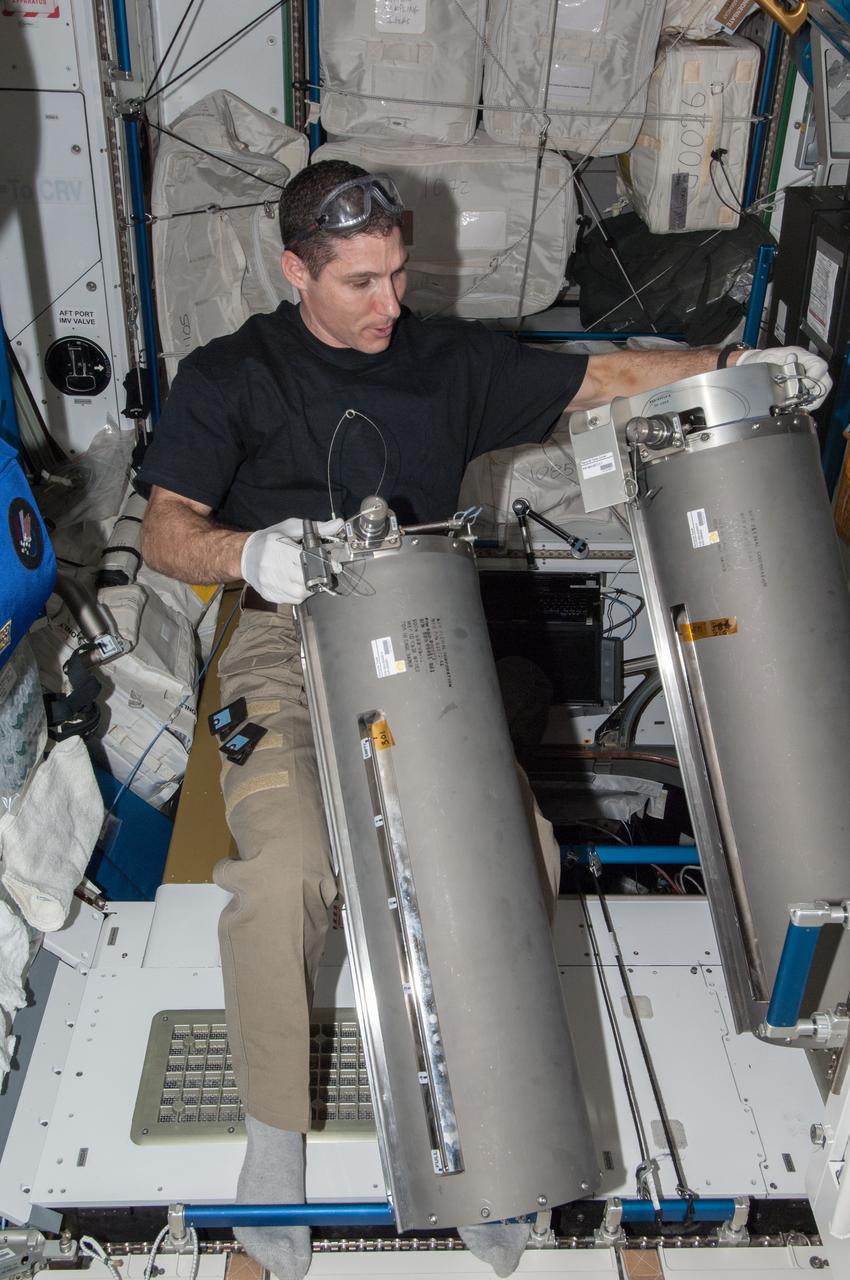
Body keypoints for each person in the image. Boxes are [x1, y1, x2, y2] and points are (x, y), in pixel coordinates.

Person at [139, 160, 830, 1279]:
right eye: (360, 281)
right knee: (285, 874)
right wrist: (247, 550)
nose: (388, 303)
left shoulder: (447, 360)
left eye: (399, 275)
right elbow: (165, 530)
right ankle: (275, 1146)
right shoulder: (232, 376)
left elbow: (599, 373)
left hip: (423, 636)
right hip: (281, 635)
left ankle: (487, 1127)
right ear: (294, 271)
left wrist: (735, 364)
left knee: (517, 853)